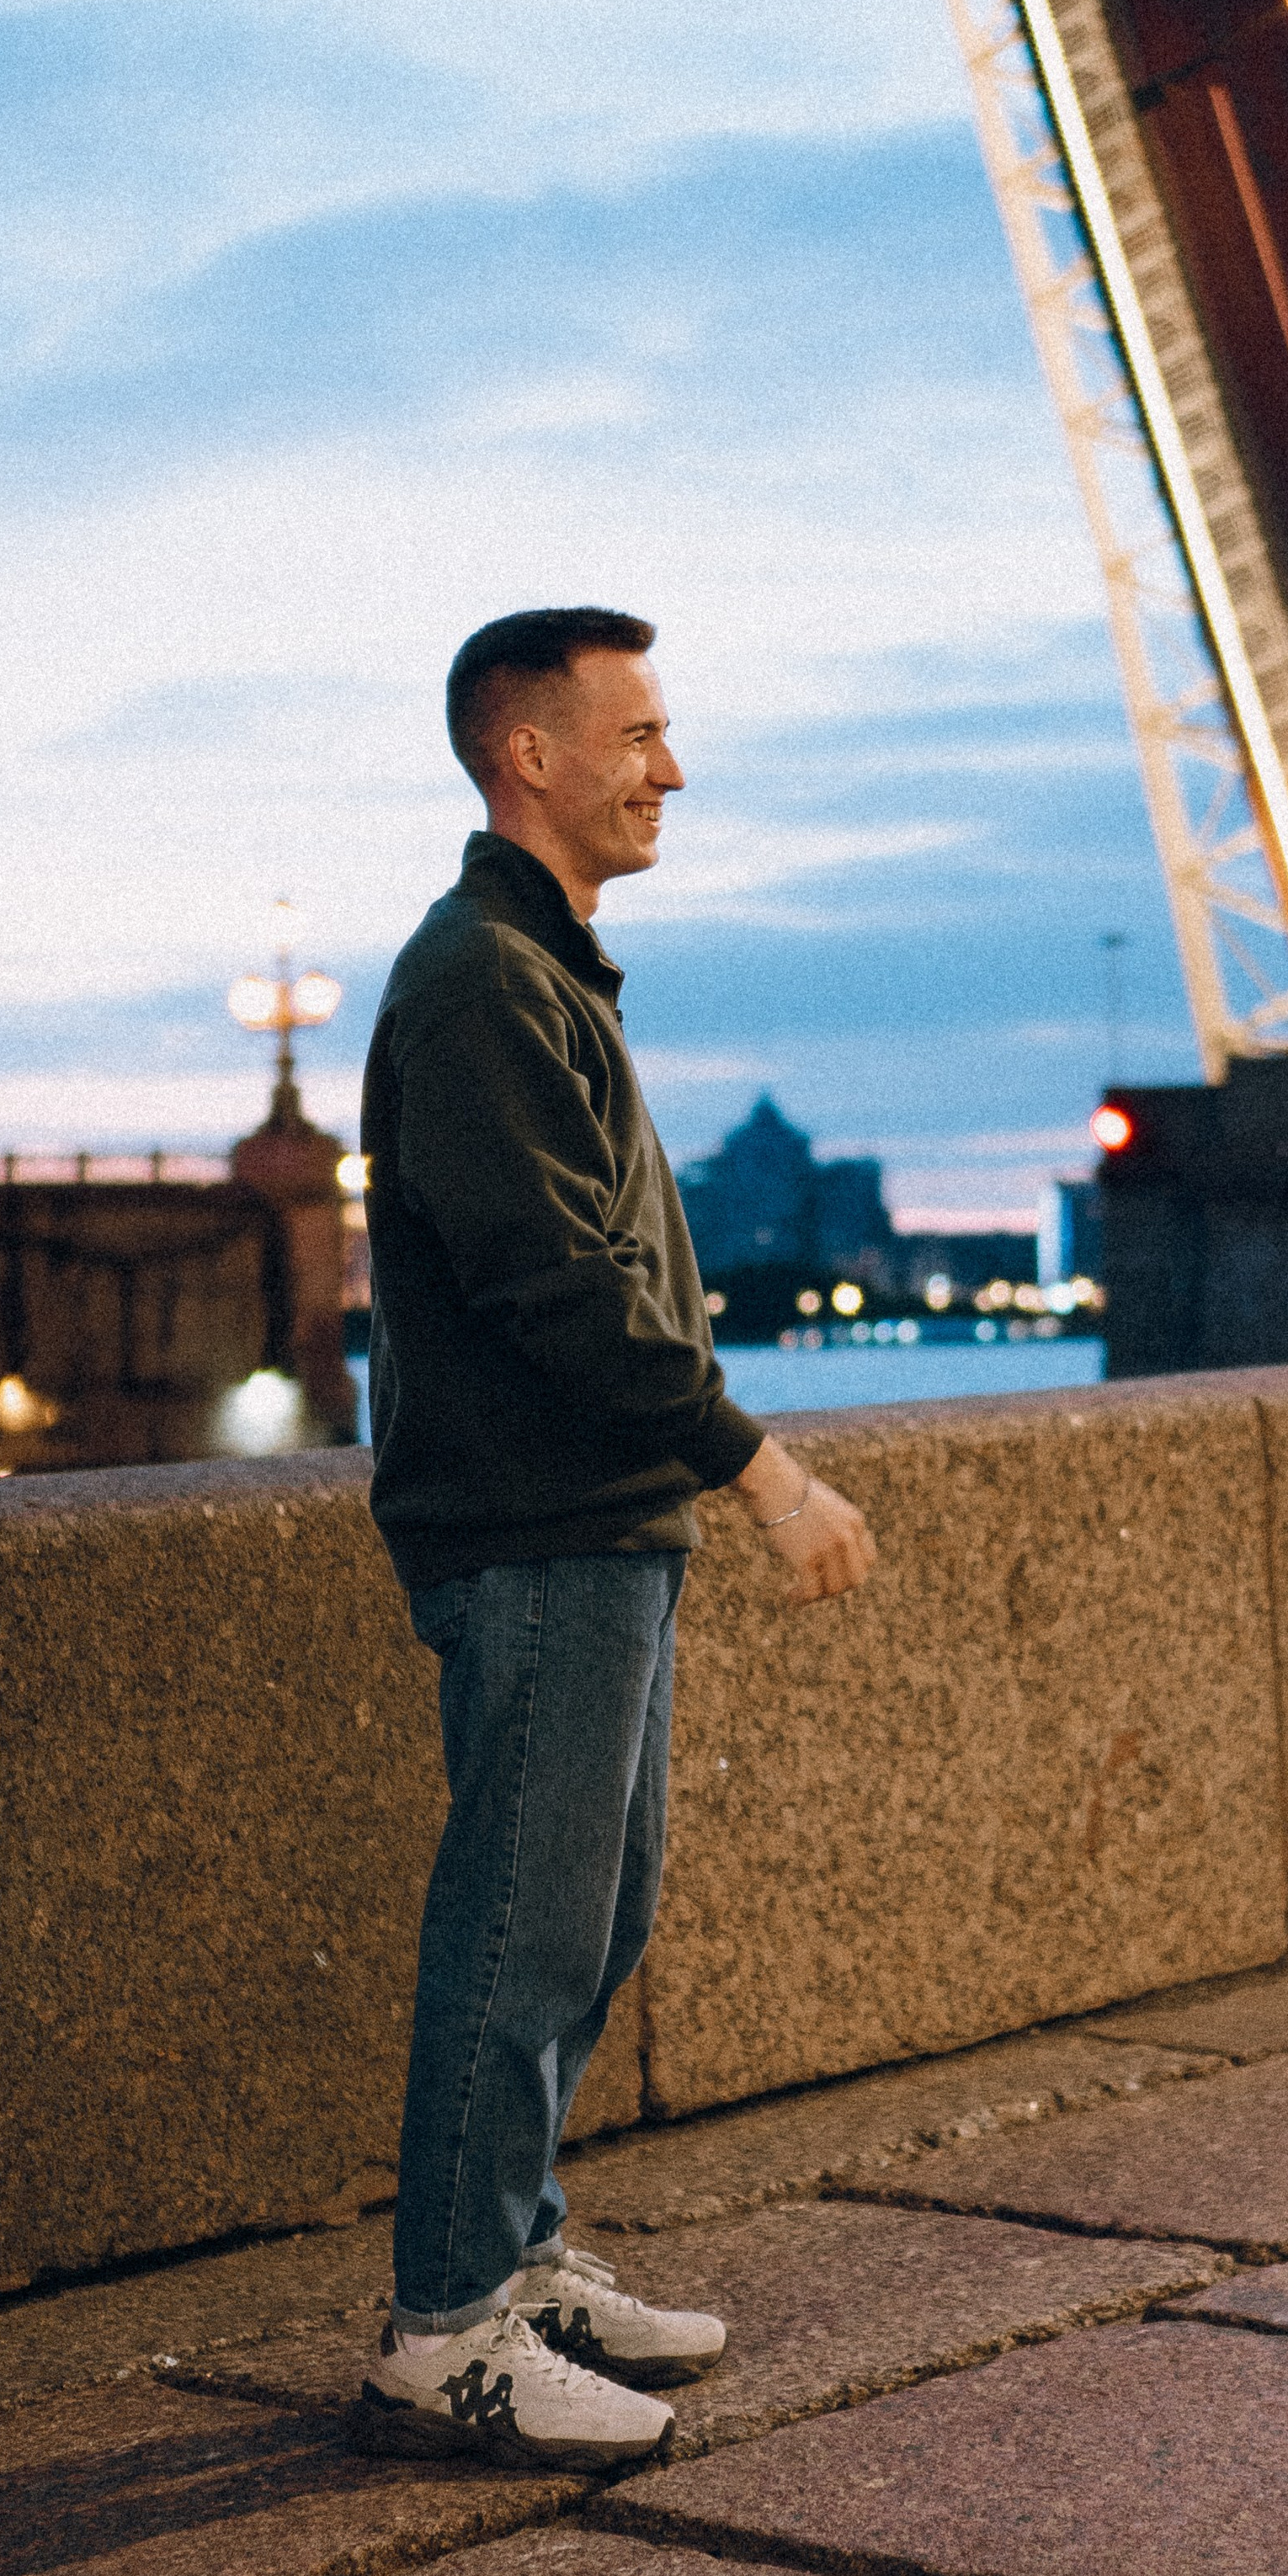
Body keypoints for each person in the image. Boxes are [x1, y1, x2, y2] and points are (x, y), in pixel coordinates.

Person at [352, 605, 876, 2472]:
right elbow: (556, 1288)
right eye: (638, 734)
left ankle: (515, 2254)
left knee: (592, 1912)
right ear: (531, 759)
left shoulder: (544, 969)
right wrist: (764, 1469)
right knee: (520, 1923)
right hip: (539, 1524)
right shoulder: (484, 979)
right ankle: (446, 2329)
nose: (671, 767)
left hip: (598, 1522)